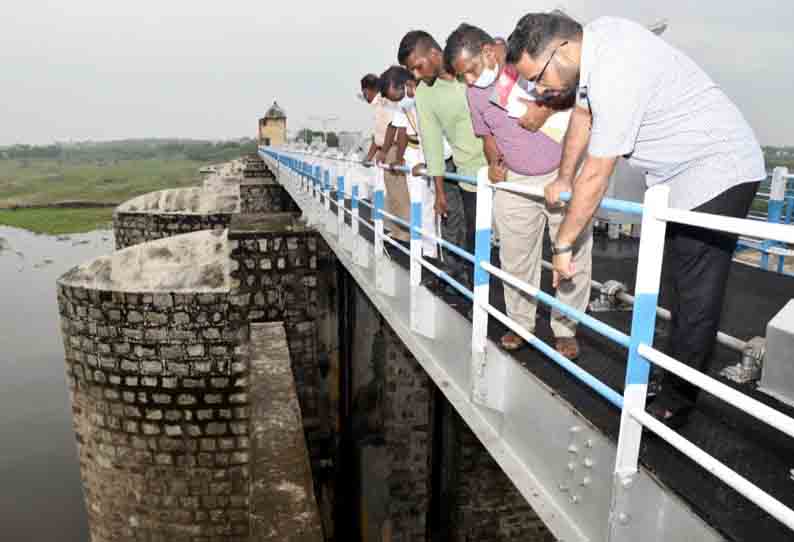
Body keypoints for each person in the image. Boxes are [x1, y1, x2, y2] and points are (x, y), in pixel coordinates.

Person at [507, 13, 765, 427]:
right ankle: (672, 374)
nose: (540, 90)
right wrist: (562, 176)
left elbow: (598, 173)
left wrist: (563, 244)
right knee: (677, 285)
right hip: (679, 178)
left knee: (695, 290)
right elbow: (582, 116)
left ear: (562, 49)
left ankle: (678, 400)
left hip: (718, 171)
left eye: (538, 77)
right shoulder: (596, 42)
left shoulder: (615, 70)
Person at [445, 23, 592, 359]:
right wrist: (494, 160)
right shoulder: (474, 92)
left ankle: (566, 328)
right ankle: (521, 323)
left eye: (471, 70)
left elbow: (579, 95)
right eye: (461, 76)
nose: (469, 81)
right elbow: (486, 134)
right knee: (514, 257)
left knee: (572, 256)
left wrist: (543, 110)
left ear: (487, 51)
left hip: (563, 174)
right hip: (514, 181)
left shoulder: (527, 60)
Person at [398, 30, 489, 287]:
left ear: (435, 54)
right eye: (410, 71)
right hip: (469, 173)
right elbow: (432, 144)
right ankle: (474, 293)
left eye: (417, 66)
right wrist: (439, 191)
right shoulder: (425, 94)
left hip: (507, 166)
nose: (416, 75)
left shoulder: (467, 66)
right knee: (473, 234)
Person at [378, 65, 440, 259]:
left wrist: (429, 163)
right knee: (419, 203)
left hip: (433, 153)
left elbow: (435, 134)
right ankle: (425, 250)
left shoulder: (427, 97)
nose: (395, 102)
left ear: (405, 85)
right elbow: (401, 129)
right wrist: (398, 158)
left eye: (395, 97)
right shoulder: (404, 104)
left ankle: (431, 254)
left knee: (430, 206)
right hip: (417, 154)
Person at [360, 73, 411, 242]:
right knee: (392, 193)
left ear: (368, 90)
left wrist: (379, 153)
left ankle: (404, 233)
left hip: (393, 149)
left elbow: (391, 129)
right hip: (388, 150)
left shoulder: (383, 103)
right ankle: (397, 231)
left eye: (364, 92)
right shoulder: (381, 104)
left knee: (398, 193)